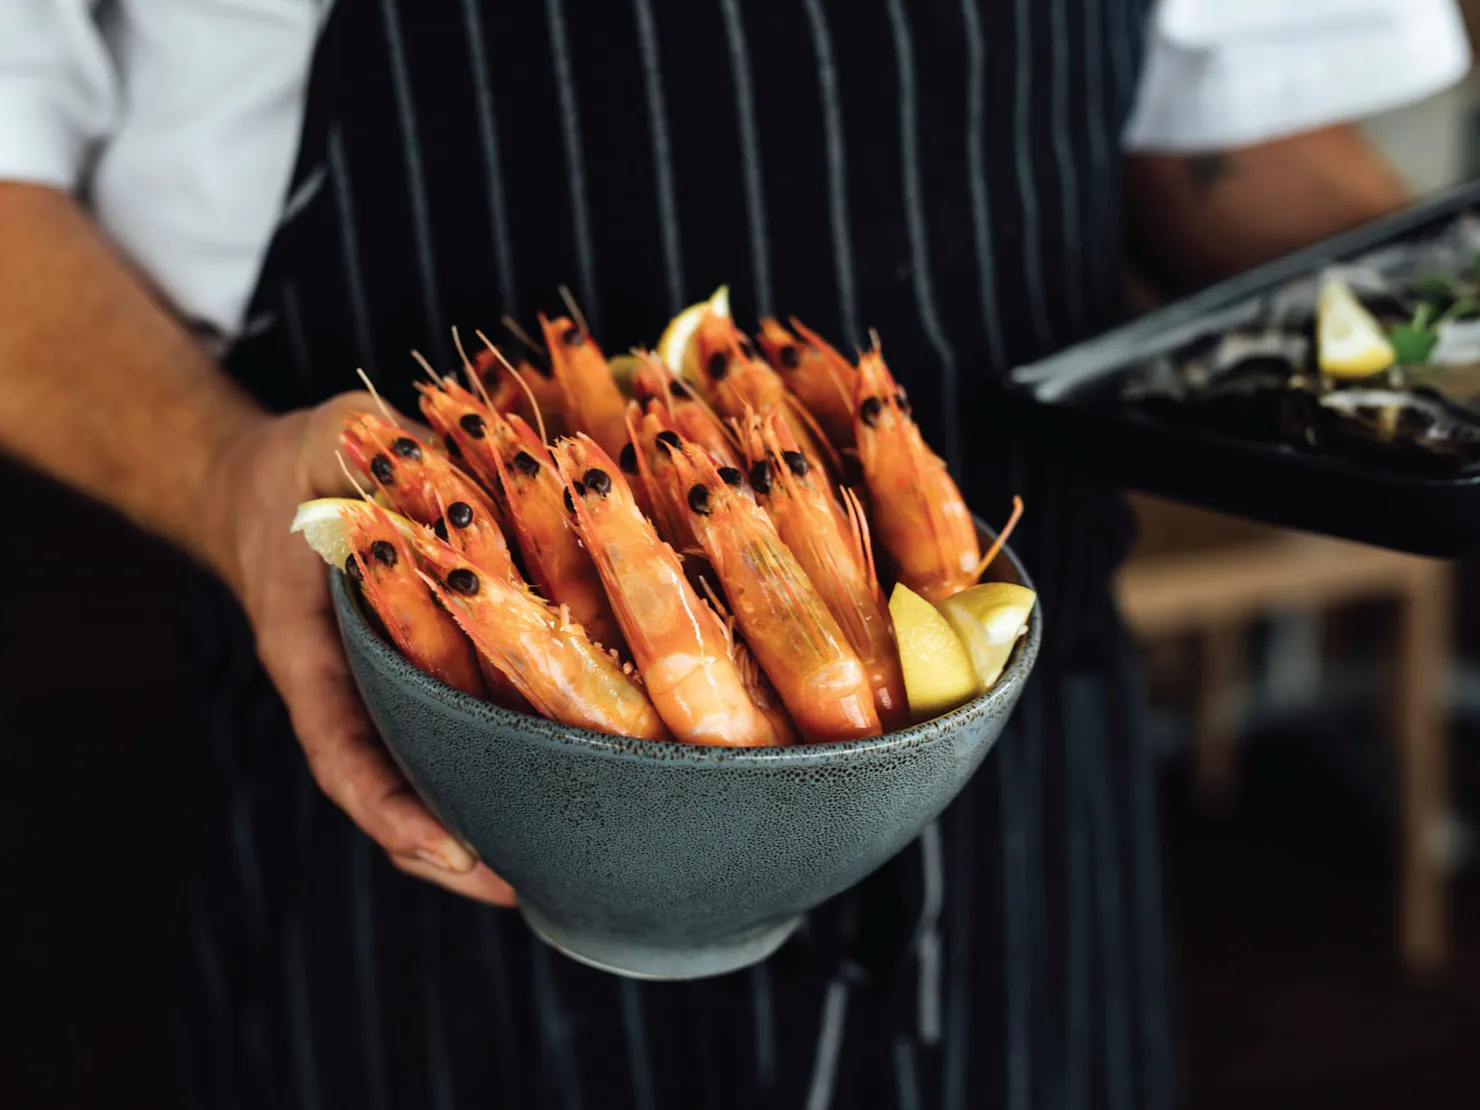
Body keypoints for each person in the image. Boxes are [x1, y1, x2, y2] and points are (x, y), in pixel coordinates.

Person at [0, 1, 1469, 1107]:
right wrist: (222, 472)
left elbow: (1235, 135)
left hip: (1006, 819)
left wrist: (1441, 343)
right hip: (388, 815)